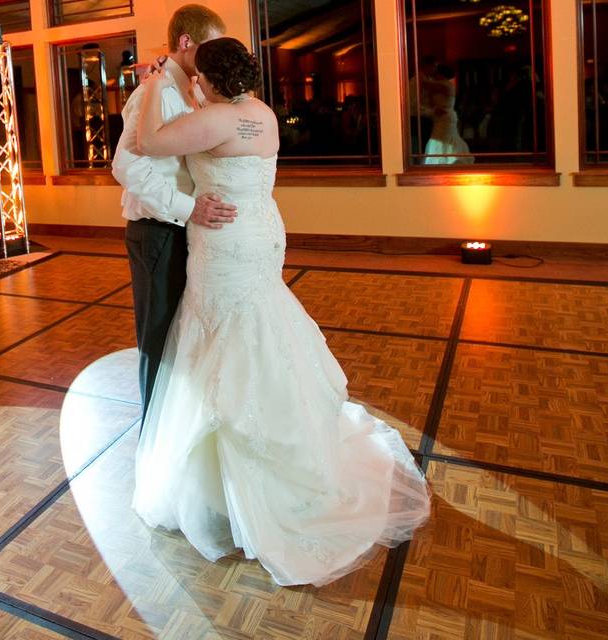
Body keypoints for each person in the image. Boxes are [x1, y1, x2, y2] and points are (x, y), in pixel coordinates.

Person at [131, 37, 431, 587]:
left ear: (211, 80)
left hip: (224, 240)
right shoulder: (260, 115)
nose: (192, 82)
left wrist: (155, 83)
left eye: (198, 76)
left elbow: (148, 143)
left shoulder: (214, 120)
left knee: (225, 334)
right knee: (260, 323)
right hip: (263, 230)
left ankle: (236, 488)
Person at [111, 4, 238, 418]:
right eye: (210, 45)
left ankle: (177, 425)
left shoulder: (192, 91)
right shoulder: (156, 92)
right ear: (187, 43)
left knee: (182, 337)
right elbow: (127, 166)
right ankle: (153, 434)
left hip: (182, 230)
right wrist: (189, 208)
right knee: (158, 338)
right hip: (156, 231)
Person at [423, 64, 474, 165]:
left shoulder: (446, 85)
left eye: (436, 72)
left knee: (440, 140)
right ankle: (445, 162)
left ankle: (442, 163)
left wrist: (422, 73)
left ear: (440, 74)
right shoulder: (440, 84)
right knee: (443, 139)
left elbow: (426, 84)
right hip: (439, 118)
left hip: (446, 117)